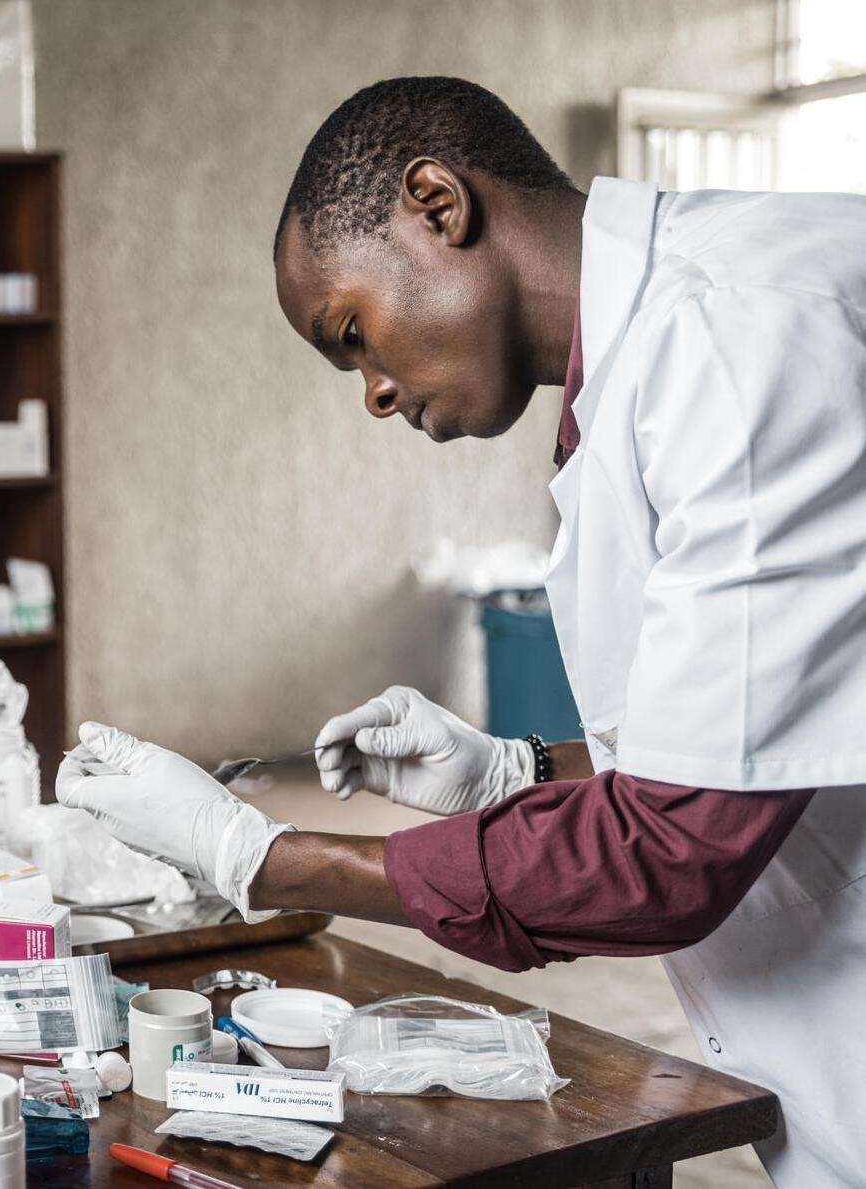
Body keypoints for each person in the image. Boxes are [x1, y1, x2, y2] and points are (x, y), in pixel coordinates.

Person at [60, 77, 865, 1186]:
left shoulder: (734, 341)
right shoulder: (659, 356)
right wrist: (512, 771)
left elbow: (669, 854)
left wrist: (259, 853)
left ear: (437, 203)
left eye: (352, 334)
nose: (373, 396)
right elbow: (766, 731)